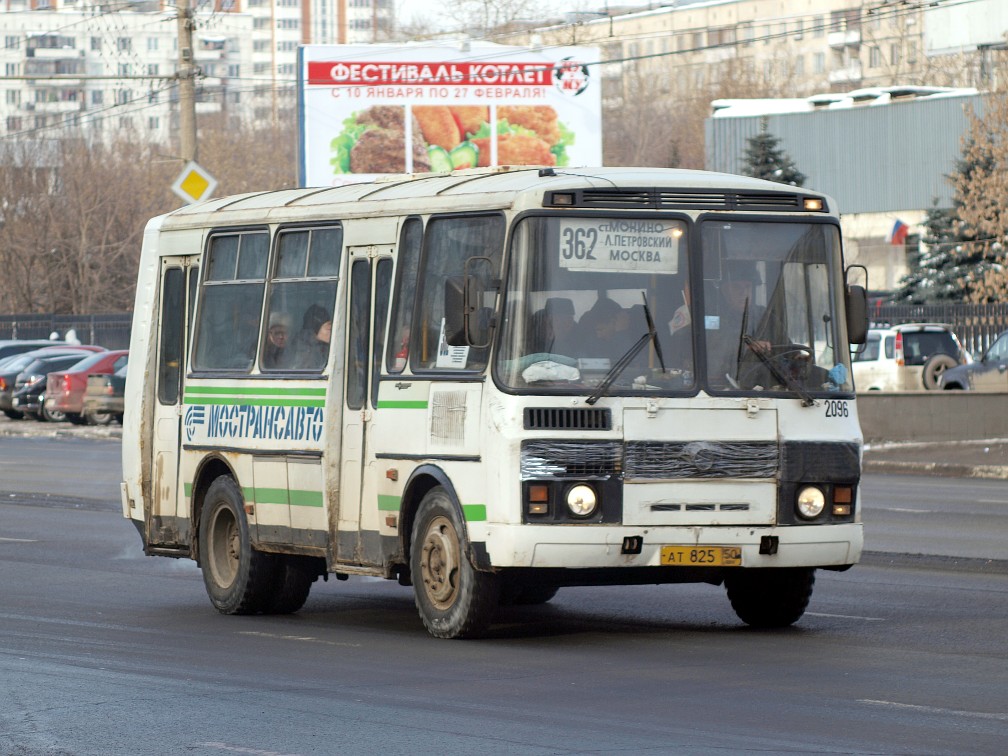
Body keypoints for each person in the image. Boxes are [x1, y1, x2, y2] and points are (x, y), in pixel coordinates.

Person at [706, 260, 774, 387]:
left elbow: (786, 346)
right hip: (721, 388)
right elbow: (712, 350)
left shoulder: (765, 316)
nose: (743, 293)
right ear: (724, 291)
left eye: (747, 287)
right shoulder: (712, 316)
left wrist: (796, 356)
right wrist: (747, 348)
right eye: (736, 287)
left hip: (764, 388)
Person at [290, 303, 332, 370]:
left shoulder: (327, 349)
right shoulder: (300, 348)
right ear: (315, 330)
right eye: (329, 329)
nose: (331, 333)